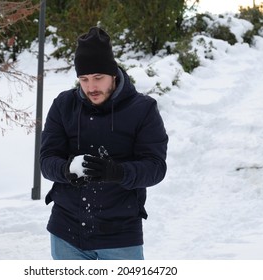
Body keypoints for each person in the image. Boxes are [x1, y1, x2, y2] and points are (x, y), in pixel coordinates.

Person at [40, 26, 168, 260]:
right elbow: (46, 160)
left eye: (98, 78)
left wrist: (118, 172)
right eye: (84, 79)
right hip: (67, 231)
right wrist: (66, 169)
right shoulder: (63, 105)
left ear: (113, 74)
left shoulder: (143, 109)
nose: (91, 87)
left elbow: (156, 168)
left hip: (120, 235)